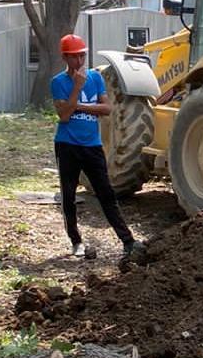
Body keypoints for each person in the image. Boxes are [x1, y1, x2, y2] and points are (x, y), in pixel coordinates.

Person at [52, 33, 144, 259]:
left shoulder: (95, 78)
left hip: (92, 146)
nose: (80, 61)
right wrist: (76, 87)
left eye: (82, 55)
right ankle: (76, 242)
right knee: (68, 196)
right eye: (74, 57)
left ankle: (128, 241)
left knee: (106, 194)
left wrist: (78, 106)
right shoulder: (58, 82)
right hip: (67, 145)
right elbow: (64, 116)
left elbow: (107, 109)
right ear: (65, 57)